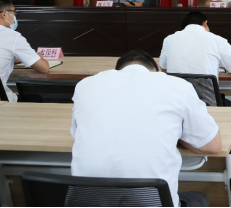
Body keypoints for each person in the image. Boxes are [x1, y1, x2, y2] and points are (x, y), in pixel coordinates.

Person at [71, 50, 221, 207]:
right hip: (152, 201)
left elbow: (78, 134)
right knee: (199, 198)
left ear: (118, 71)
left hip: (84, 202)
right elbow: (213, 145)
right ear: (155, 71)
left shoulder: (85, 86)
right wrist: (178, 136)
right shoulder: (178, 86)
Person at [160, 12, 231, 106]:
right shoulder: (218, 40)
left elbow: (164, 68)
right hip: (207, 104)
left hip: (176, 103)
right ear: (205, 23)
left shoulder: (169, 40)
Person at [0, 0, 49, 101]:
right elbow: (44, 68)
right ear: (4, 14)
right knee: (35, 98)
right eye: (13, 13)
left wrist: (11, 60)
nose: (14, 17)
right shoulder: (13, 36)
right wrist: (38, 57)